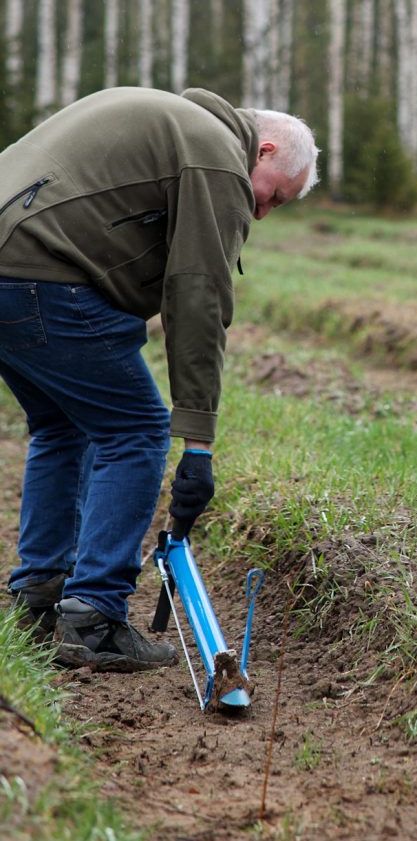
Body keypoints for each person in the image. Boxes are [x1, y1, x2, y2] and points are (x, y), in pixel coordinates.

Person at [0, 86, 318, 668]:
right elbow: (197, 295)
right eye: (275, 197)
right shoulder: (216, 153)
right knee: (136, 431)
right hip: (40, 274)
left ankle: (38, 596)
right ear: (265, 151)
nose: (262, 212)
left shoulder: (171, 121)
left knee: (62, 426)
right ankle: (93, 617)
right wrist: (198, 444)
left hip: (12, 269)